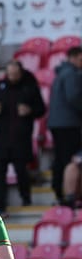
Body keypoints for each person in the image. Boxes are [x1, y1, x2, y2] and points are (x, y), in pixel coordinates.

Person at [0, 60, 46, 214]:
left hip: (21, 138)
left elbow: (41, 109)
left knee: (21, 171)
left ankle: (26, 198)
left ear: (21, 73)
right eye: (10, 74)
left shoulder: (30, 87)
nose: (12, 77)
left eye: (15, 74)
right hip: (2, 138)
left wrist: (29, 110)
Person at [48, 46, 82, 206]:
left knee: (61, 159)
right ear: (74, 57)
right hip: (68, 123)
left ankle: (59, 192)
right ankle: (67, 195)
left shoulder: (61, 73)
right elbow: (74, 97)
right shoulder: (72, 74)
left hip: (58, 122)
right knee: (69, 160)